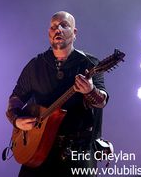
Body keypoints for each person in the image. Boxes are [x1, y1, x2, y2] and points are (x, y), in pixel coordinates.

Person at [6, 11, 109, 176]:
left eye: (64, 25)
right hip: (37, 147)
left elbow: (101, 101)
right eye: (53, 26)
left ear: (74, 33)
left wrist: (90, 90)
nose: (58, 29)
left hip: (77, 152)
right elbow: (15, 99)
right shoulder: (35, 65)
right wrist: (17, 121)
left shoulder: (89, 64)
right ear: (49, 33)